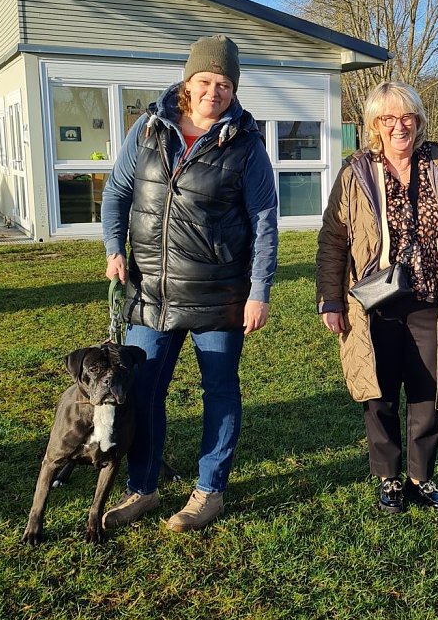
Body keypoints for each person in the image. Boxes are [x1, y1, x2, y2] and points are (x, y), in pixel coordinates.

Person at [100, 35, 278, 532]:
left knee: (219, 390)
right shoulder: (150, 129)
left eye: (224, 83)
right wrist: (115, 249)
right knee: (141, 390)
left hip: (218, 292)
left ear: (233, 89)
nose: (213, 91)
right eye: (205, 80)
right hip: (150, 291)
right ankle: (143, 488)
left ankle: (209, 490)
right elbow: (116, 193)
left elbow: (264, 220)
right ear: (187, 81)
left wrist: (258, 291)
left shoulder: (245, 144)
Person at [316, 81, 438, 514]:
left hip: (432, 299)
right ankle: (389, 477)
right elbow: (333, 240)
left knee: (428, 391)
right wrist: (331, 301)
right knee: (380, 392)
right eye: (388, 118)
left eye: (406, 117)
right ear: (375, 124)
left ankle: (420, 476)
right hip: (374, 303)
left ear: (419, 120)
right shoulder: (355, 172)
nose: (398, 126)